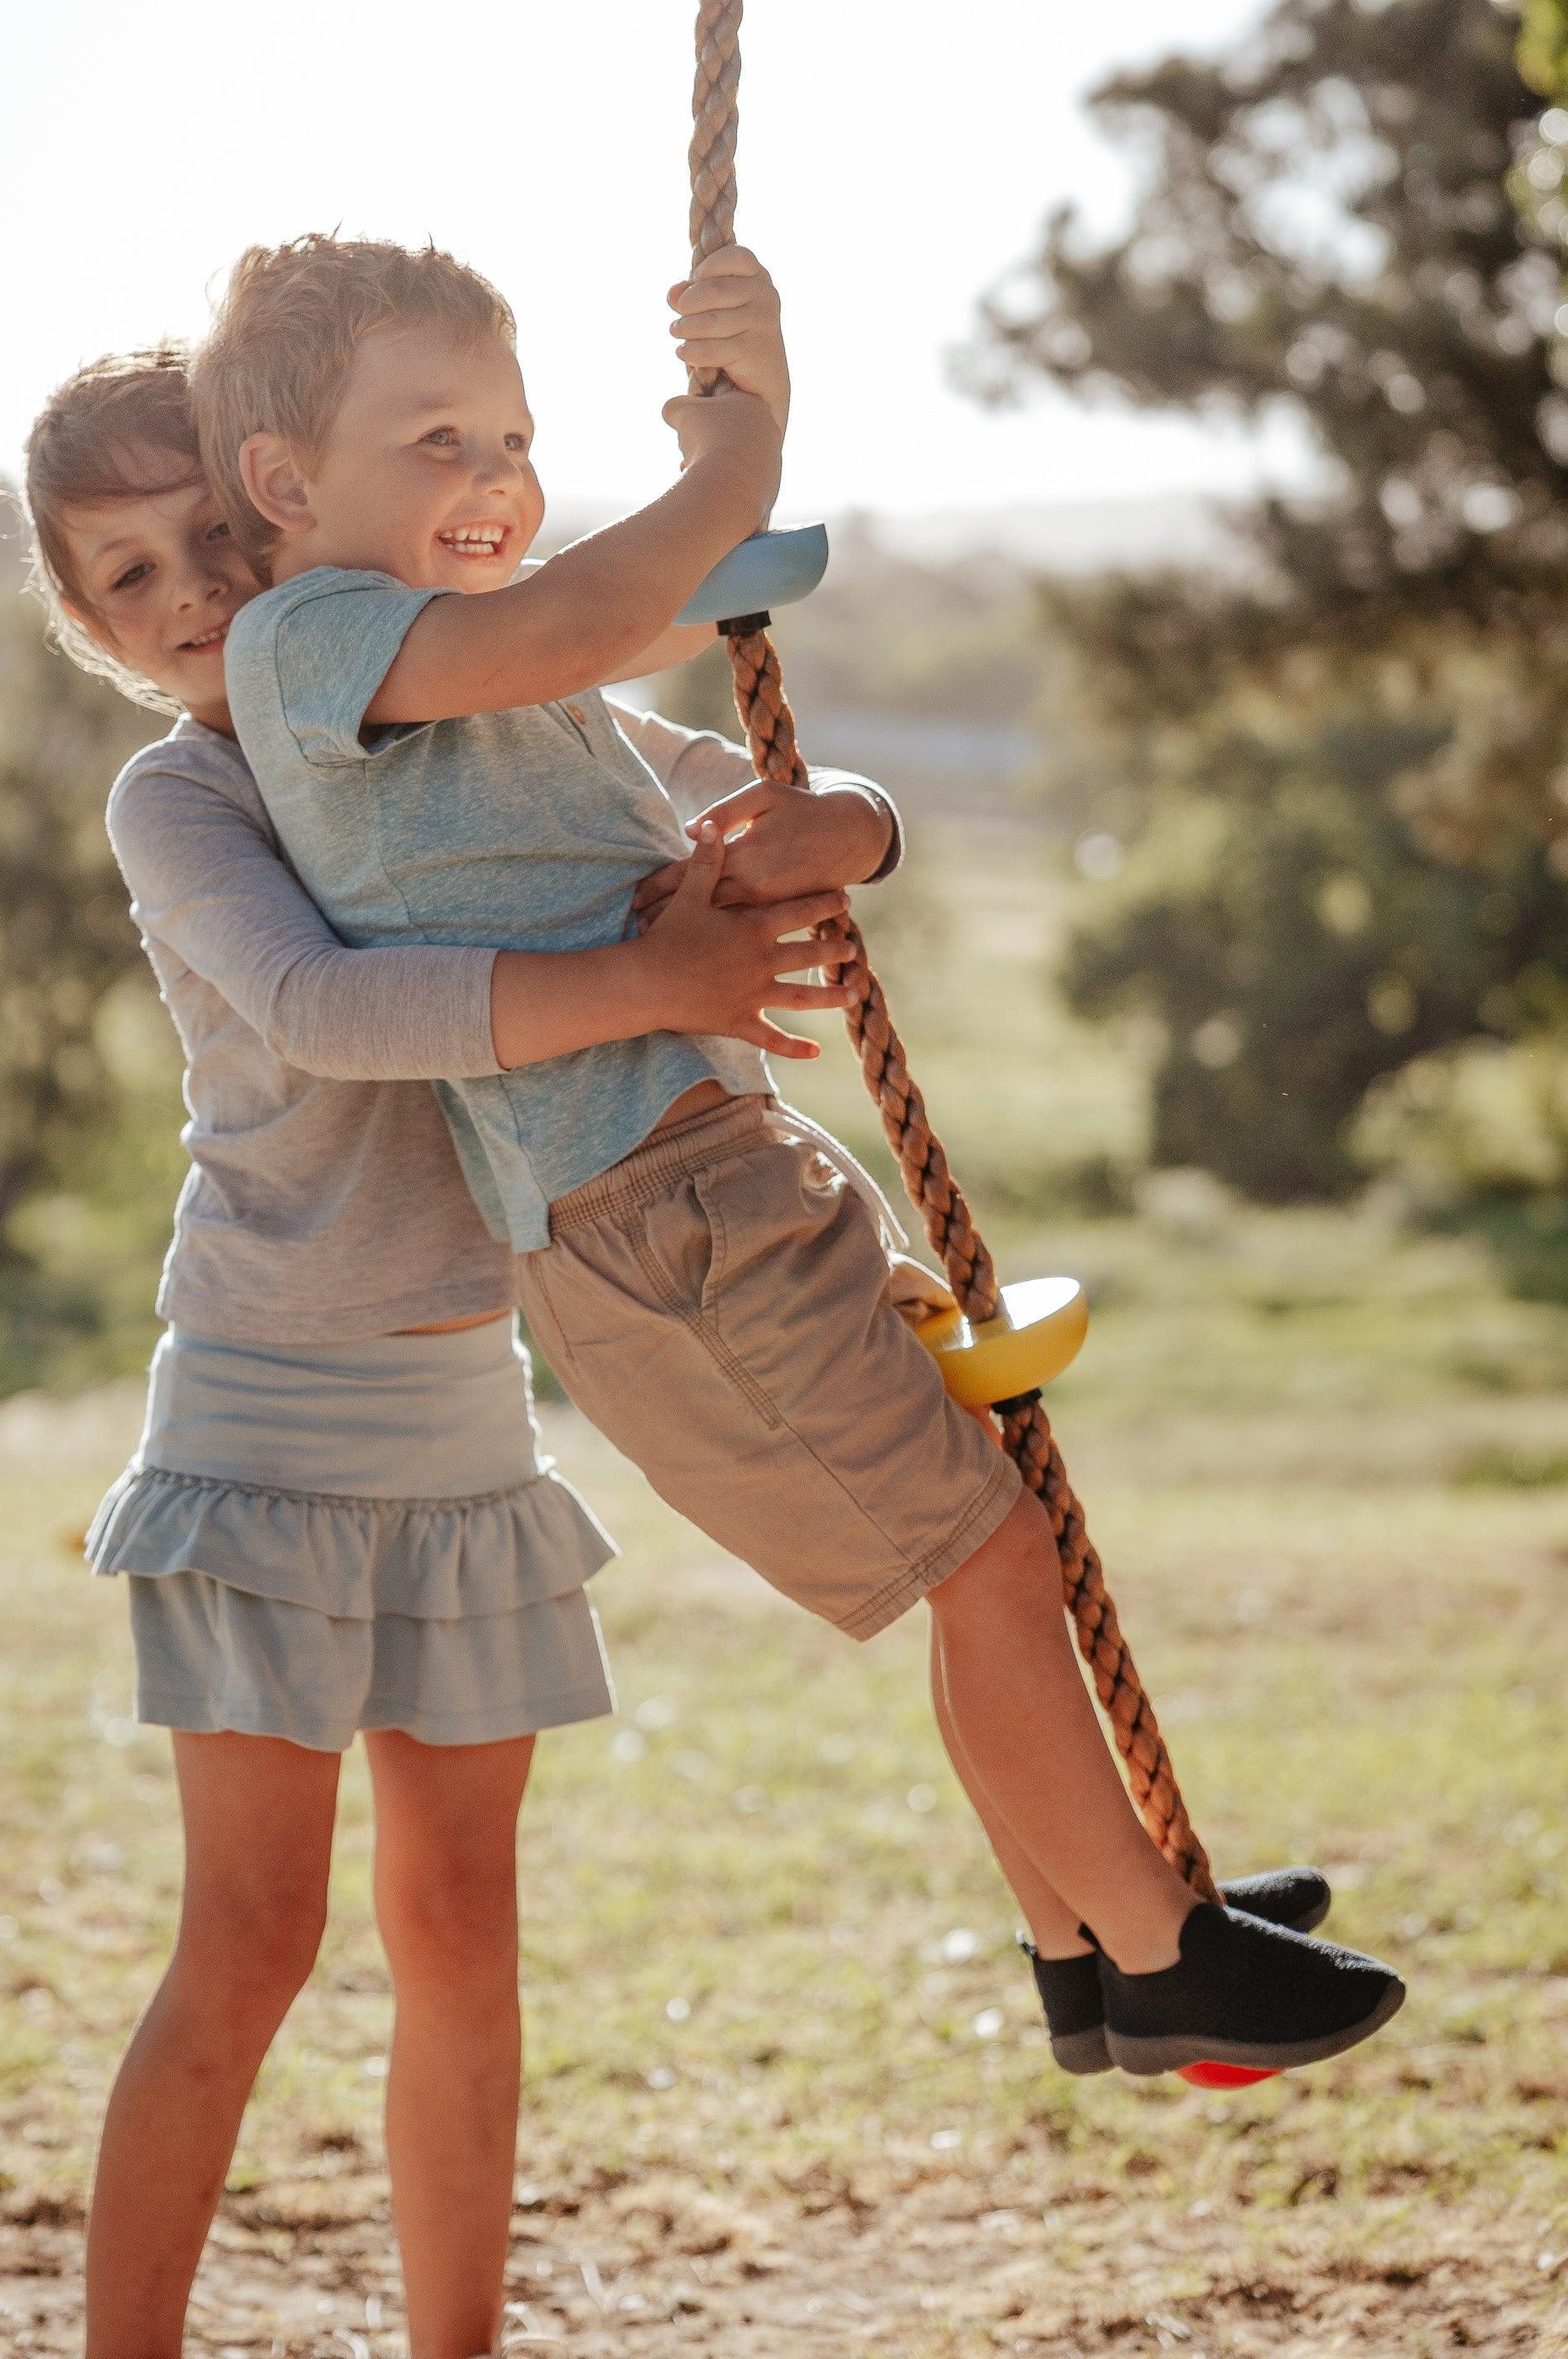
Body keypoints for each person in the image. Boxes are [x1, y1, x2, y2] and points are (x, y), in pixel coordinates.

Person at [197, 231, 1407, 2084]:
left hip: (720, 1182)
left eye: (511, 436)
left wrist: (843, 824)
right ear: (285, 487)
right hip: (655, 1215)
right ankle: (1162, 1956)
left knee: (981, 1553)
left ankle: (1092, 1940)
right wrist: (736, 462)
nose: (497, 478)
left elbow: (725, 780)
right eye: (436, 439)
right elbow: (596, 613)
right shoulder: (312, 649)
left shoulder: (523, 704)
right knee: (986, 1561)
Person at [23, 346, 905, 2359]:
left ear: (282, 517)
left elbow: (740, 792)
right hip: (267, 1402)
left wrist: (844, 827)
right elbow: (330, 1012)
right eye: (123, 579)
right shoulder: (181, 792)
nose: (183, 601)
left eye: (206, 543)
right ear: (87, 626)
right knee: (251, 1942)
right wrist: (635, 979)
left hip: (463, 1418)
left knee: (464, 1939)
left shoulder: (488, 718)